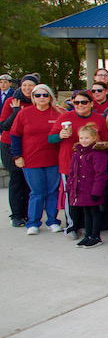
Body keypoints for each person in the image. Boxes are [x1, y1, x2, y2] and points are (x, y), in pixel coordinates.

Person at [51, 89, 108, 236]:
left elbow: (106, 141)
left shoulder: (99, 119)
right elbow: (50, 139)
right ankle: (72, 226)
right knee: (71, 197)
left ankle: (87, 227)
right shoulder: (65, 117)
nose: (80, 105)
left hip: (91, 166)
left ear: (91, 103)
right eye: (76, 102)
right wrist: (60, 135)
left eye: (84, 102)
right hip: (69, 164)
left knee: (89, 198)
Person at [10, 83, 62, 235]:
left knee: (52, 191)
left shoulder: (57, 113)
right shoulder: (24, 114)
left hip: (53, 159)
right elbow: (15, 135)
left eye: (45, 95)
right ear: (32, 97)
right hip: (31, 160)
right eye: (38, 95)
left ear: (50, 97)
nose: (41, 98)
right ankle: (33, 223)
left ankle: (52, 221)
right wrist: (17, 156)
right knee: (37, 192)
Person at [66, 124, 108, 249]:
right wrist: (69, 186)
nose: (83, 141)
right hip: (81, 189)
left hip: (92, 189)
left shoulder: (98, 153)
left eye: (86, 138)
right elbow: (72, 171)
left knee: (95, 212)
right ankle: (88, 235)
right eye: (81, 138)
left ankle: (96, 236)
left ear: (93, 138)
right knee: (86, 212)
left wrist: (97, 191)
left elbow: (100, 174)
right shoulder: (77, 152)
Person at [1, 74, 36, 227]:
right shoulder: (11, 101)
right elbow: (4, 126)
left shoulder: (39, 100)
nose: (27, 88)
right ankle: (16, 215)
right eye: (25, 85)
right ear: (20, 86)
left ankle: (28, 213)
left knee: (29, 182)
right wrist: (16, 111)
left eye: (31, 85)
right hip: (10, 145)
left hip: (30, 146)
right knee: (16, 181)